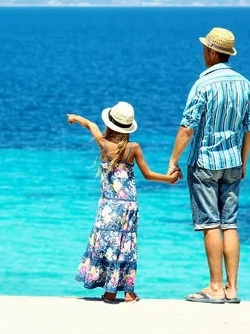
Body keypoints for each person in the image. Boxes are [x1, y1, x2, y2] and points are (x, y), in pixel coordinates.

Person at [168, 28, 250, 304]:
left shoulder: (202, 85)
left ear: (211, 52)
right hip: (233, 162)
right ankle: (232, 289)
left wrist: (173, 160)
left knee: (210, 224)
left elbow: (187, 128)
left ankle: (215, 287)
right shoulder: (245, 84)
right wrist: (244, 161)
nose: (203, 52)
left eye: (205, 48)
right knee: (230, 224)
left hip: (205, 163)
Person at [68, 101, 179, 303]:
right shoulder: (133, 148)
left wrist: (75, 118)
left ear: (110, 124)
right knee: (126, 244)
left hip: (109, 206)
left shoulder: (104, 144)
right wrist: (169, 178)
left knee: (108, 244)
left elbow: (90, 125)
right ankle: (128, 291)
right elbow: (148, 174)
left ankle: (110, 291)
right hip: (129, 205)